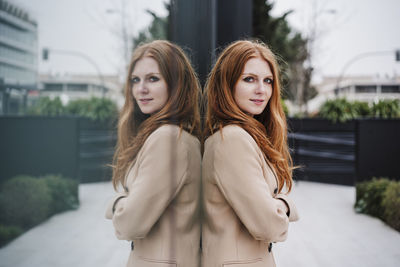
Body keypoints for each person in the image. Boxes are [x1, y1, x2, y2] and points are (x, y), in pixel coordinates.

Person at [201, 40, 299, 267]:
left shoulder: (244, 136)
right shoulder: (233, 140)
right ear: (227, 84)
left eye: (268, 81)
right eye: (249, 79)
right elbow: (269, 225)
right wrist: (285, 205)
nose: (261, 90)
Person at [105, 40, 202, 267]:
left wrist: (117, 203)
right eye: (135, 80)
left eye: (153, 79)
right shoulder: (176, 136)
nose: (141, 89)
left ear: (176, 85)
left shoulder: (167, 139)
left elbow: (129, 224)